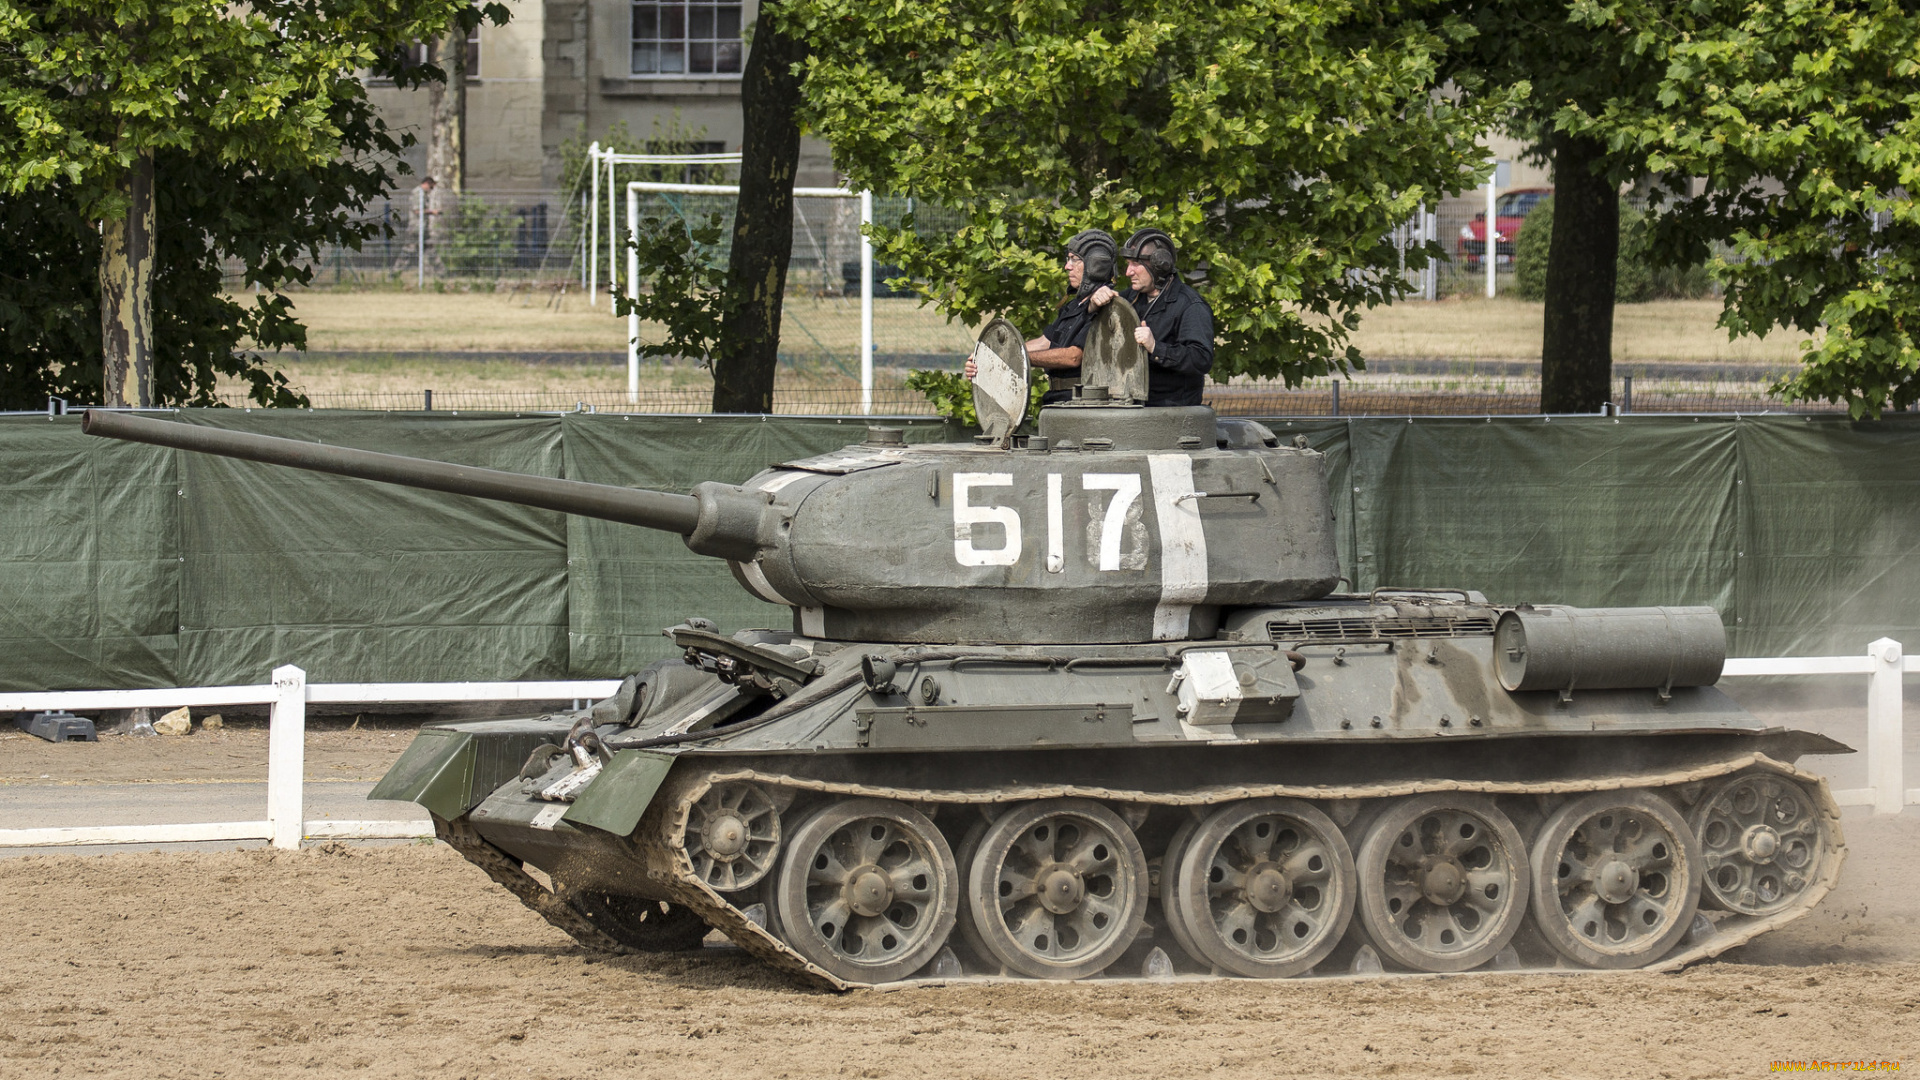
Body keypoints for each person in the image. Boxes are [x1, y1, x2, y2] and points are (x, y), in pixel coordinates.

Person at [965, 230, 1117, 404]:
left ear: (1095, 265)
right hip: (1057, 400)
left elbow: (1073, 356)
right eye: (1068, 259)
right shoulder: (1073, 306)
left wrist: (1014, 358)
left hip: (1084, 403)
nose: (1067, 266)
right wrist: (993, 355)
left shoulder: (1106, 307)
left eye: (1074, 259)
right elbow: (1044, 342)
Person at [1088, 228, 1214, 406]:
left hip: (1172, 412)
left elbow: (1201, 359)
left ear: (1159, 266)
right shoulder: (1129, 298)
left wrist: (1155, 348)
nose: (1128, 272)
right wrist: (1094, 305)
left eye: (1135, 264)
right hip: (1129, 407)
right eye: (1128, 264)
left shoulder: (1190, 305)